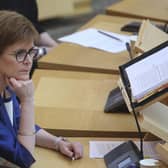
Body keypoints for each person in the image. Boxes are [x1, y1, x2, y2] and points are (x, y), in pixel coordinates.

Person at [0, 10, 83, 168]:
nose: (28, 61)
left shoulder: (7, 84)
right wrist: (28, 100)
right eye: (19, 54)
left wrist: (57, 142)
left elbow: (18, 122)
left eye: (31, 52)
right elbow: (24, 159)